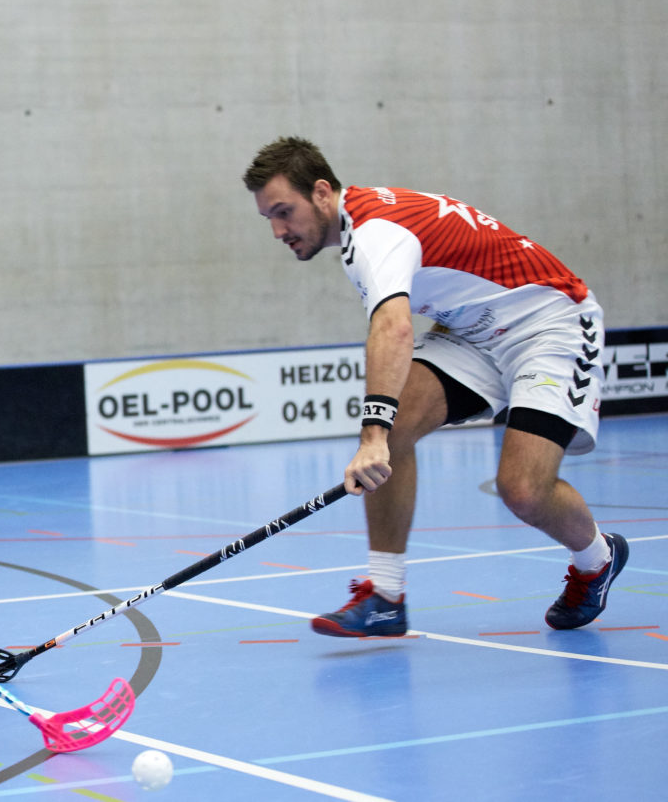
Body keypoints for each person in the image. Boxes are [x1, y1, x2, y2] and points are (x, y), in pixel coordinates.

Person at [242, 136, 627, 637]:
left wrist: (371, 436)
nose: (278, 230)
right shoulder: (362, 226)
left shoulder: (375, 234)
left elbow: (394, 328)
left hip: (549, 324)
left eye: (283, 212)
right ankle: (385, 597)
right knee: (396, 425)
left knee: (523, 490)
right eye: (268, 218)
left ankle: (598, 559)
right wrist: (381, 432)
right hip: (474, 332)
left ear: (320, 192)